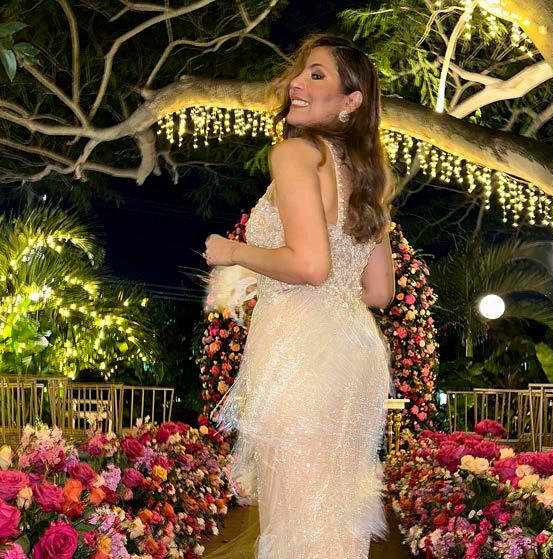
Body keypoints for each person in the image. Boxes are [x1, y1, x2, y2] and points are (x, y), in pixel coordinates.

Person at [202, 34, 396, 559]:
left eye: (317, 75)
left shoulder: (295, 154)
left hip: (300, 353)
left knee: (296, 522)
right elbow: (379, 291)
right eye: (301, 71)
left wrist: (233, 252)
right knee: (334, 517)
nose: (296, 83)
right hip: (354, 354)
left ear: (351, 101)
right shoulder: (368, 178)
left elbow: (310, 266)